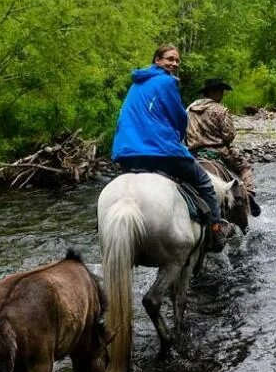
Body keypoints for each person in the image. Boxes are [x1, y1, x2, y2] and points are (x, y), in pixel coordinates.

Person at [111, 45, 234, 251]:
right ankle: (215, 229)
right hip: (159, 151)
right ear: (157, 60)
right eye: (170, 59)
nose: (174, 64)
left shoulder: (136, 85)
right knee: (204, 182)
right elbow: (179, 117)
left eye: (177, 60)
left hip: (127, 153)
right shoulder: (167, 82)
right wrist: (177, 138)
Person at [186, 78, 260, 217]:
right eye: (221, 91)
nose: (222, 94)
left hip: (193, 153)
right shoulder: (220, 110)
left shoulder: (189, 109)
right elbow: (229, 136)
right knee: (244, 168)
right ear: (214, 92)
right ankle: (249, 196)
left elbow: (183, 132)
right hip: (217, 152)